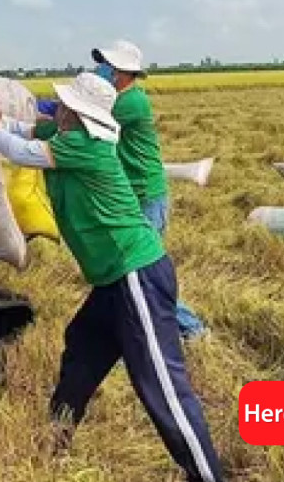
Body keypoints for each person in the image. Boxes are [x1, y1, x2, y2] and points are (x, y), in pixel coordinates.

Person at [0, 73, 223, 482]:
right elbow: (22, 129)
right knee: (83, 344)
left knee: (161, 387)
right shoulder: (66, 131)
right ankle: (55, 435)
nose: (59, 108)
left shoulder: (85, 144)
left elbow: (19, 148)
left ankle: (208, 476)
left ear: (80, 111)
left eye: (66, 104)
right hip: (113, 281)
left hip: (135, 274)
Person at [89, 39, 207, 340]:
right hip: (133, 195)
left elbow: (84, 120)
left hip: (146, 196)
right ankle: (134, 329)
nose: (100, 70)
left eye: (107, 66)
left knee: (146, 274)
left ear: (123, 72)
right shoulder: (117, 98)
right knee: (132, 272)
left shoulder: (130, 102)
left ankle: (191, 329)